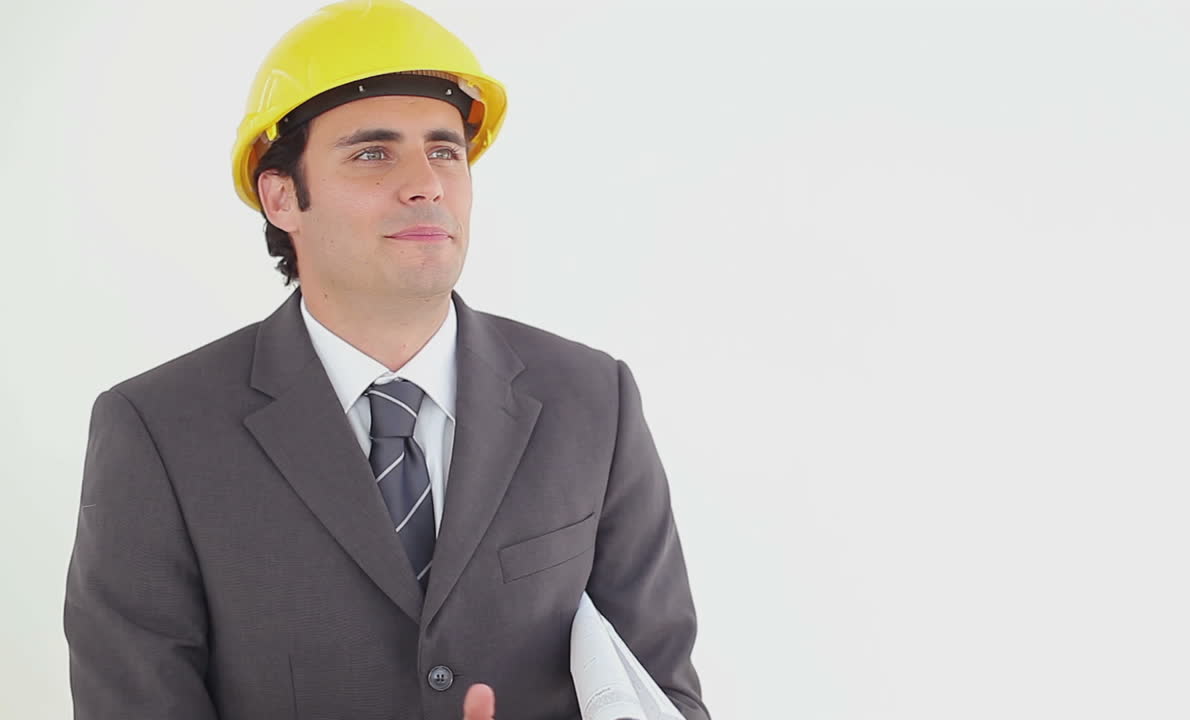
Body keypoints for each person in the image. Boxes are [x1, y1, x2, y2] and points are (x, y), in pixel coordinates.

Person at [62, 2, 710, 719]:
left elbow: (661, 694)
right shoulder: (157, 430)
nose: (425, 183)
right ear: (282, 197)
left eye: (444, 151)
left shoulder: (593, 399)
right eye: (373, 153)